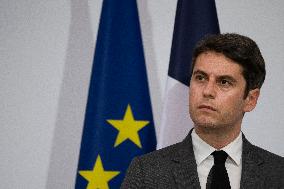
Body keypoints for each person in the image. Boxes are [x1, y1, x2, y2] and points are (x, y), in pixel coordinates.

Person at [121, 33, 284, 189]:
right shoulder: (146, 172)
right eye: (200, 78)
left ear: (250, 99)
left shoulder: (278, 174)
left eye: (224, 82)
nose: (207, 91)